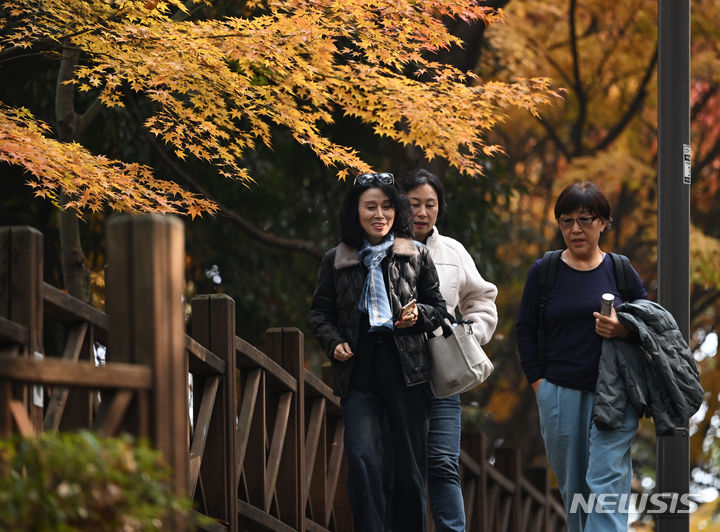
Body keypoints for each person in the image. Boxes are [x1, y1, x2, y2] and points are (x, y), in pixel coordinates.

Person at [307, 172, 447, 532]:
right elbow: (319, 312)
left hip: (408, 371)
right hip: (358, 371)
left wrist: (419, 315)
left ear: (396, 210)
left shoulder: (416, 254)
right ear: (356, 212)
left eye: (387, 206)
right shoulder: (335, 259)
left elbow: (438, 307)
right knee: (363, 457)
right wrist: (333, 341)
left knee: (409, 468)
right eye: (370, 207)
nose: (379, 214)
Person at [515, 181, 648, 532]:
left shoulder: (620, 271)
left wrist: (623, 329)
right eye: (566, 220)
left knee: (607, 484)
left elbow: (650, 324)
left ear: (603, 222)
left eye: (585, 219)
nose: (575, 229)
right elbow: (525, 330)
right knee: (576, 493)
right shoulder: (544, 271)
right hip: (560, 394)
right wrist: (539, 385)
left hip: (615, 395)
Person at [398, 169, 498, 532]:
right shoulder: (377, 248)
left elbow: (482, 300)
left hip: (443, 372)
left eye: (430, 205)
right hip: (393, 372)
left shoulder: (453, 251)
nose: (422, 213)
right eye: (414, 205)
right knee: (401, 463)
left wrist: (468, 333)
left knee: (443, 463)